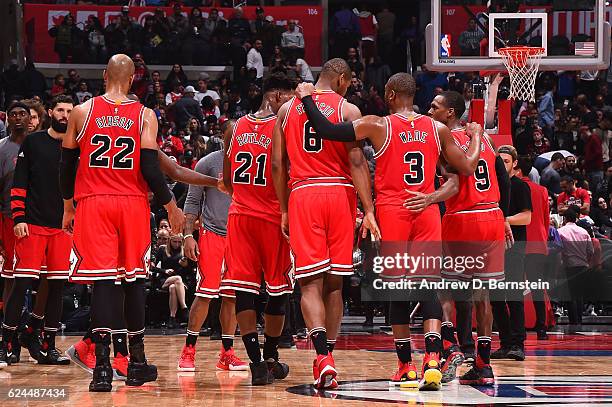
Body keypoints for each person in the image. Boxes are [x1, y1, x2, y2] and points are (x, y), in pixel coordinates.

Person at [294, 72, 484, 390]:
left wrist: (306, 98)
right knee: (427, 285)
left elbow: (326, 129)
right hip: (425, 210)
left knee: (397, 287)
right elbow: (465, 168)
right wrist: (477, 137)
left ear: (392, 94)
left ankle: (406, 366)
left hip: (393, 211)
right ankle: (433, 359)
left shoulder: (378, 124)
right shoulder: (436, 129)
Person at [59, 54, 184, 392]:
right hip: (130, 204)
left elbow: (67, 165)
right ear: (131, 81)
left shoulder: (82, 112)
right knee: (133, 282)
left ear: (103, 76)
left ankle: (101, 368)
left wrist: (69, 206)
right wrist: (171, 204)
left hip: (93, 203)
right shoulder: (144, 115)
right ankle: (135, 362)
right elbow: (149, 166)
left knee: (102, 283)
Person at [272, 58, 379, 390]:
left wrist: (285, 208)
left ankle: (322, 357)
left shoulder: (287, 110)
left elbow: (277, 164)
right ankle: (329, 354)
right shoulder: (348, 110)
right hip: (340, 195)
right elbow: (357, 161)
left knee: (309, 284)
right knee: (335, 284)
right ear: (342, 79)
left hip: (304, 193)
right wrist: (369, 209)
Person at [426, 90, 510, 386]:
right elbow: (502, 179)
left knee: (444, 291)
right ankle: (484, 365)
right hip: (492, 216)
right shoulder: (484, 138)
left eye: (435, 107)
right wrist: (504, 218)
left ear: (450, 113)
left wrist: (428, 200)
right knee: (482, 296)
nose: (429, 110)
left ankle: (450, 348)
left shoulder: (440, 139)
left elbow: (454, 182)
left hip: (463, 218)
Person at [220, 72, 296, 385]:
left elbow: (226, 181)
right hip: (273, 218)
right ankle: (271, 355)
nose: (292, 104)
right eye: (289, 98)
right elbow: (283, 170)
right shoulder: (284, 127)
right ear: (277, 96)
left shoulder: (233, 128)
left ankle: (256, 364)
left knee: (244, 291)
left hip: (240, 217)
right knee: (279, 292)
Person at [0, 96, 75, 369]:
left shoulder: (77, 147)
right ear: (51, 113)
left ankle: (48, 345)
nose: (65, 115)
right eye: (61, 110)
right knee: (21, 283)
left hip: (62, 228)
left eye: (69, 111)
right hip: (31, 224)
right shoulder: (34, 142)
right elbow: (19, 183)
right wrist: (18, 217)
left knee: (56, 286)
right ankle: (7, 342)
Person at [177, 146, 248, 374]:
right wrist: (189, 235)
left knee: (232, 297)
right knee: (205, 294)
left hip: (239, 235)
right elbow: (192, 202)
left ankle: (227, 353)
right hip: (212, 233)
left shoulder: (251, 160)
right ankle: (188, 350)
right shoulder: (207, 163)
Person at [491, 145, 532, 362]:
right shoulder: (494, 186)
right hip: (494, 245)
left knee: (514, 296)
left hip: (515, 245)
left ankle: (518, 344)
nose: (502, 165)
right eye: (500, 161)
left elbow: (527, 217)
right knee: (495, 298)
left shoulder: (519, 186)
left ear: (515, 163)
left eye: (506, 161)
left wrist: (503, 221)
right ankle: (506, 342)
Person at [0, 102, 32, 367]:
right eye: (13, 114)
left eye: (23, 114)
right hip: (9, 220)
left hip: (39, 220)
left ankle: (34, 333)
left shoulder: (38, 145)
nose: (18, 118)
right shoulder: (2, 148)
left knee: (45, 278)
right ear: (7, 119)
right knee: (13, 278)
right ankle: (8, 337)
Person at [516, 156, 550, 340]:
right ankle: (542, 328)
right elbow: (545, 219)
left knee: (514, 287)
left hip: (519, 242)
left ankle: (517, 328)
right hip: (538, 242)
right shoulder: (542, 190)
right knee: (537, 288)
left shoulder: (514, 187)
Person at [557, 207, 593, 325]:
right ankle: (579, 321)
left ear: (565, 218)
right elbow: (590, 251)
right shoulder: (584, 232)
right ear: (576, 218)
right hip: (583, 266)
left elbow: (557, 250)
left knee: (570, 294)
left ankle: (573, 322)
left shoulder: (560, 231)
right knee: (579, 294)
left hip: (568, 266)